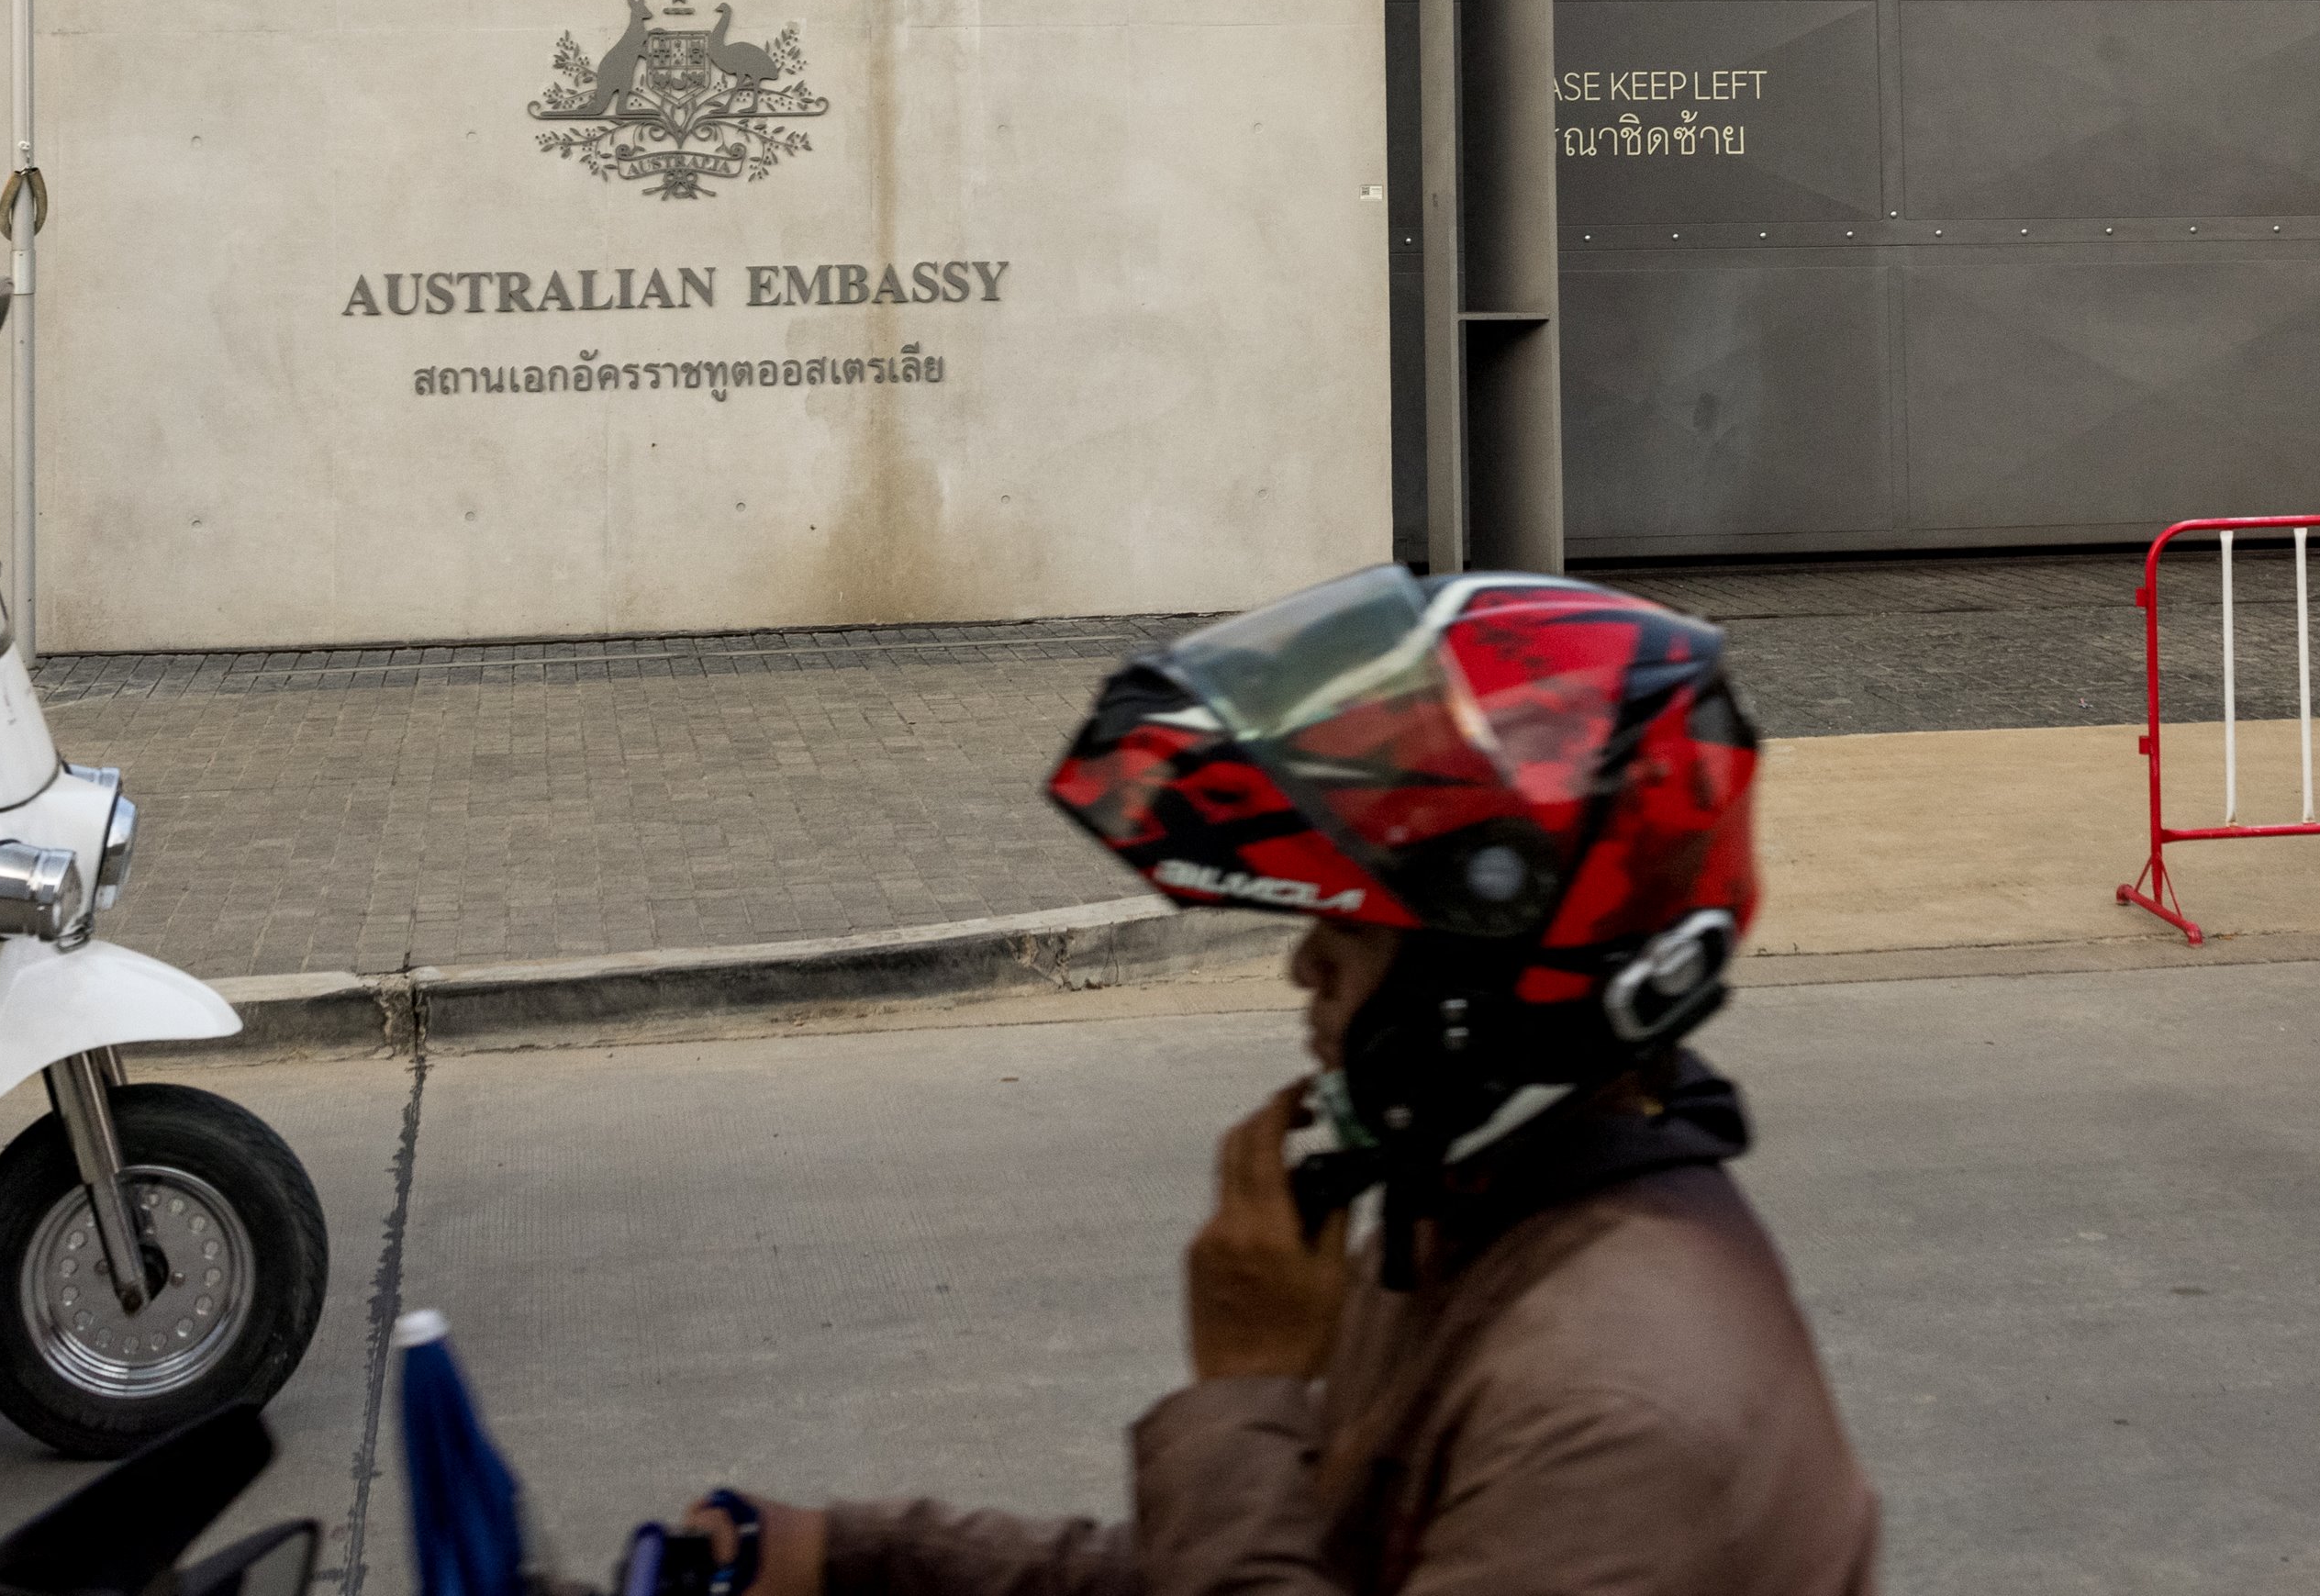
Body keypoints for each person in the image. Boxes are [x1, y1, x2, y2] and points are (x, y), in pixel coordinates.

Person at [674, 565, 1877, 1596]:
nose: (1305, 962)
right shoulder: (1473, 1221)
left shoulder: (1610, 1415)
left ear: (1498, 988)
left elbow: (1261, 1539)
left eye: (1353, 933)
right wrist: (861, 1555)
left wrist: (1246, 1388)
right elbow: (1285, 1553)